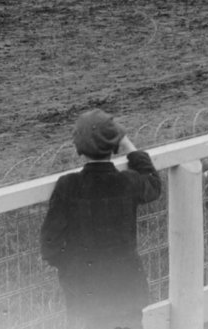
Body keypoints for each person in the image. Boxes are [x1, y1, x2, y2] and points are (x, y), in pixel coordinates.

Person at [39, 110, 162, 329]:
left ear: (79, 147)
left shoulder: (68, 186)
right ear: (114, 145)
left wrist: (74, 270)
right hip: (126, 293)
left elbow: (50, 246)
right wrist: (126, 144)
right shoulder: (128, 182)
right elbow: (153, 182)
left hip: (86, 296)